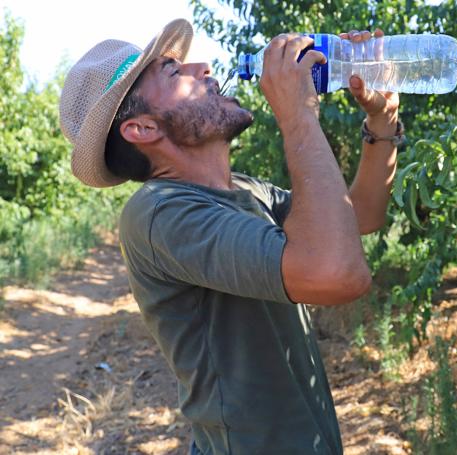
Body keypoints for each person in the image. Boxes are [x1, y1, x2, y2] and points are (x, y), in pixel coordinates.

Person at [59, 18, 402, 455]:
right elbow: (338, 274)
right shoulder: (158, 213)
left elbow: (361, 216)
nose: (202, 67)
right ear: (143, 129)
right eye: (171, 72)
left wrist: (383, 119)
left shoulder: (244, 189)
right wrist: (297, 115)